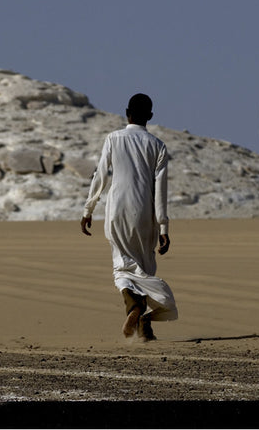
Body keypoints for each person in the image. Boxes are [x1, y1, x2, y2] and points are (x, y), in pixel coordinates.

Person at [81, 93, 178, 341]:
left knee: (122, 265)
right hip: (144, 214)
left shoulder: (113, 138)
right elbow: (160, 190)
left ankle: (134, 307)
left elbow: (100, 176)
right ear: (150, 116)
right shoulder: (158, 145)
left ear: (127, 113)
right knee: (144, 267)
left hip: (116, 211)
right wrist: (164, 227)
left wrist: (88, 209)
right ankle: (145, 324)